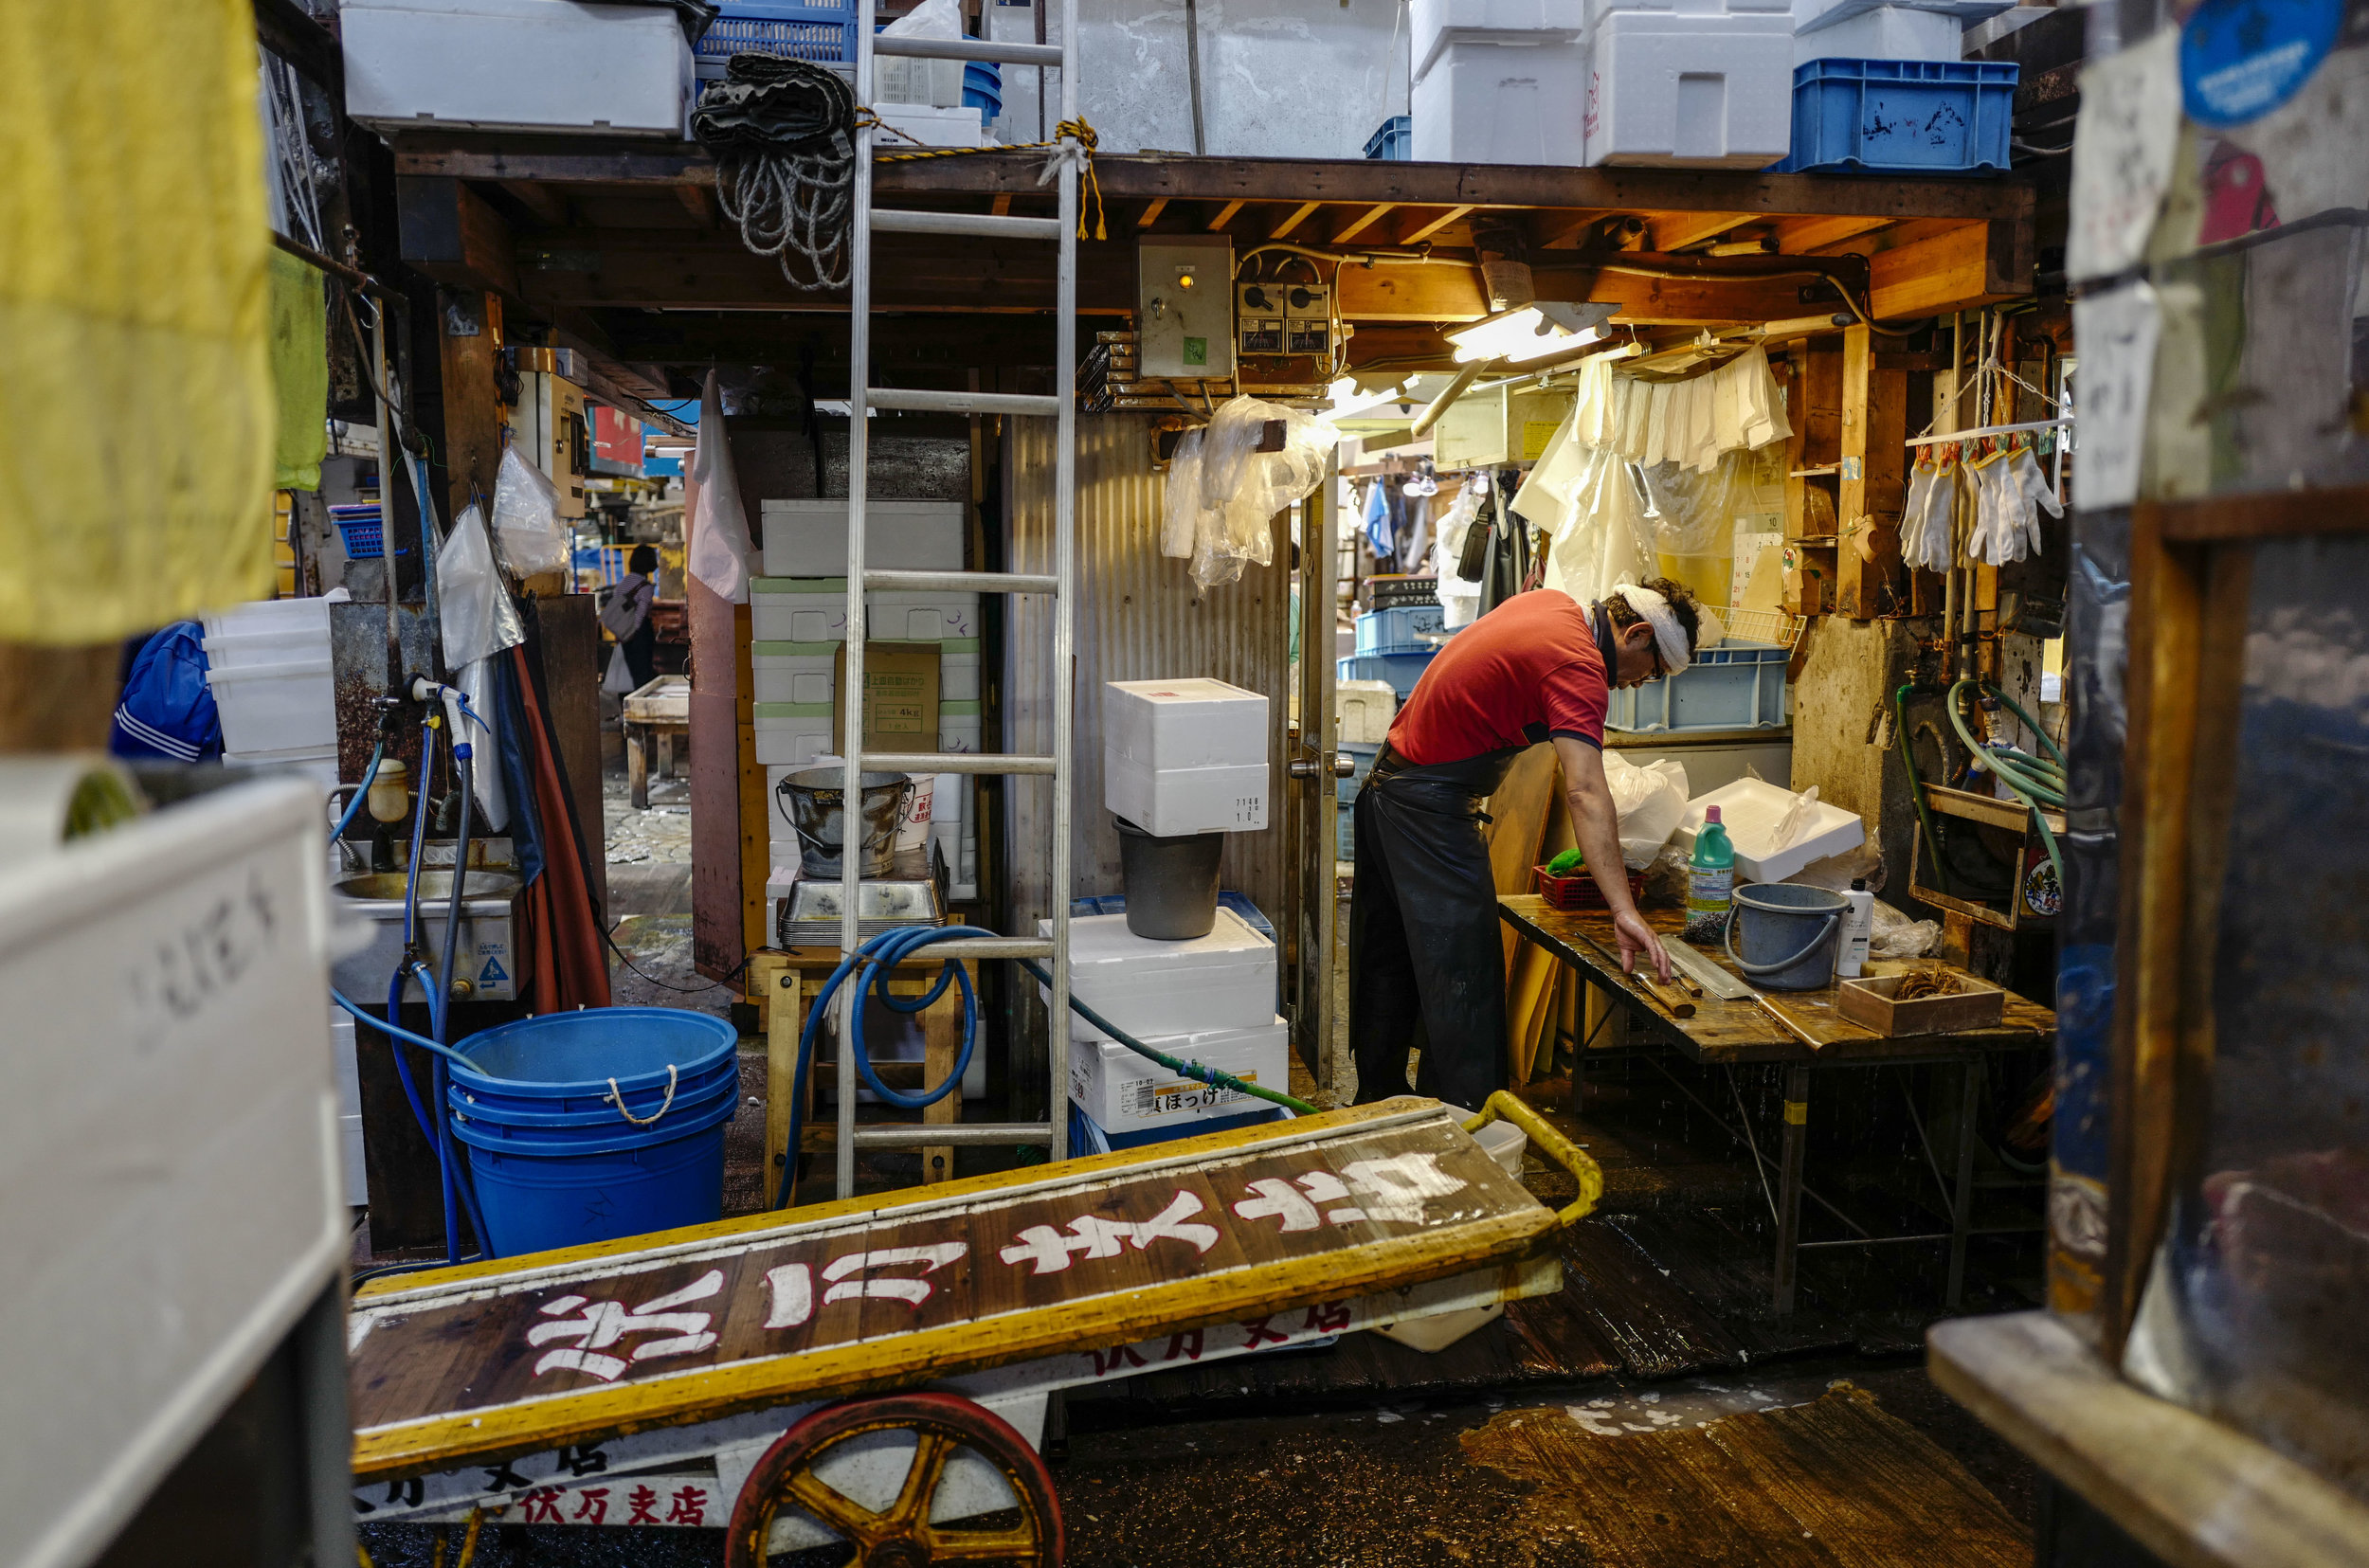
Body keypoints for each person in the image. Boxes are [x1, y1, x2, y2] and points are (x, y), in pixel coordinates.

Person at [1349, 577, 1704, 1108]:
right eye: (1650, 672)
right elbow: (1586, 791)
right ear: (1637, 633)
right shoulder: (1581, 666)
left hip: (1387, 788)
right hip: (1425, 810)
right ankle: (1467, 1123)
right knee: (1466, 970)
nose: (1637, 685)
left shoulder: (1553, 605)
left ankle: (1379, 1101)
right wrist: (1623, 908)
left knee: (1391, 953)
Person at [606, 544, 660, 692]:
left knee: (629, 671)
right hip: (639, 634)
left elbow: (617, 606)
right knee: (642, 673)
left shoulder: (624, 581)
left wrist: (622, 633)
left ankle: (625, 703)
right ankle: (639, 703)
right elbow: (640, 614)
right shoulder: (646, 588)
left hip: (623, 632)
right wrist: (633, 632)